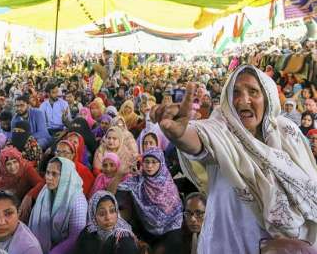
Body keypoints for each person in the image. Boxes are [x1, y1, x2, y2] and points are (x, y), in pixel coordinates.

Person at [150, 64, 317, 253]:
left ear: (268, 98)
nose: (243, 100)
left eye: (253, 91)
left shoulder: (287, 132)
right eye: (235, 92)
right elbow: (200, 139)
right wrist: (179, 135)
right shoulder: (221, 132)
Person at [108, 147, 183, 254]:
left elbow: (176, 216)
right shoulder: (138, 181)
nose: (149, 166)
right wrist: (120, 174)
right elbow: (109, 194)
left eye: (154, 162)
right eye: (146, 162)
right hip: (145, 233)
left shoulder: (168, 184)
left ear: (161, 163)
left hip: (170, 232)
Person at [29, 157, 87, 254]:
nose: (49, 177)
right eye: (47, 172)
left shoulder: (77, 200)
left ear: (66, 175)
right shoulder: (45, 192)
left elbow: (76, 237)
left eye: (54, 174)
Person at [75, 191, 139, 254]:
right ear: (93, 216)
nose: (108, 217)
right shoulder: (88, 232)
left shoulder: (124, 239)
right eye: (102, 213)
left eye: (112, 211)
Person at [0, 146, 44, 222]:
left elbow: (41, 183)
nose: (13, 167)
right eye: (8, 164)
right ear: (3, 166)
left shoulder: (26, 168)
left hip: (28, 206)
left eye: (15, 162)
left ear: (19, 161)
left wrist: (29, 196)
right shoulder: (1, 175)